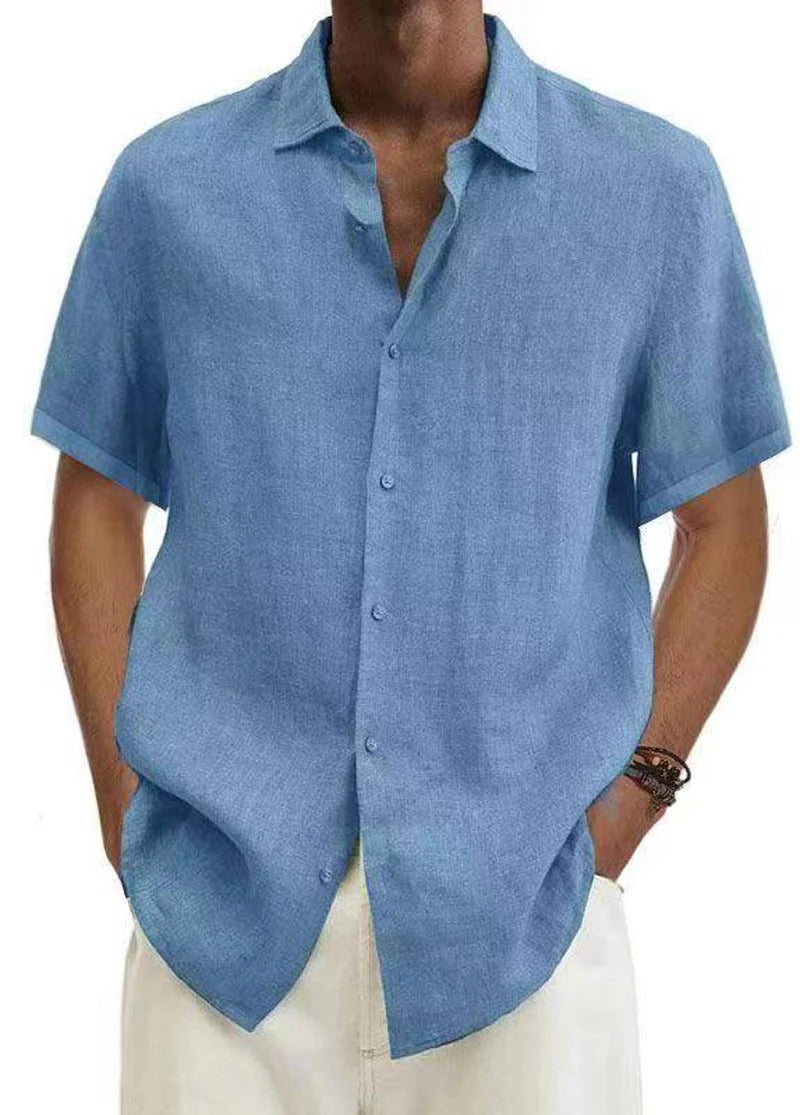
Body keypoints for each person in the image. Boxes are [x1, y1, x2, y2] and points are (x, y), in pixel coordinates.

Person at [32, 3, 790, 1113]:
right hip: (219, 933)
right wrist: (125, 806)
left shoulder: (654, 190)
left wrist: (631, 800)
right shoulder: (166, 190)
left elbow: (724, 522)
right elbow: (96, 504)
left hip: (528, 929)